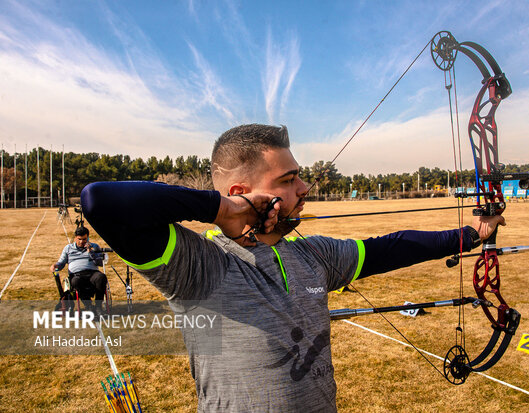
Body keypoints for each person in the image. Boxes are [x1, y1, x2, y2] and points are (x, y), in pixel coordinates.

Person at [81, 124, 504, 412]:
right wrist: (219, 210)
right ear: (239, 193)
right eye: (287, 179)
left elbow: (390, 249)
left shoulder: (311, 254)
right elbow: (102, 202)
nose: (304, 189)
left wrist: (470, 234)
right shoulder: (200, 264)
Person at [50, 226, 107, 314]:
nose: (81, 242)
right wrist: (55, 265)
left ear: (88, 237)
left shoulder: (94, 246)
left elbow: (100, 263)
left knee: (101, 277)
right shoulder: (68, 248)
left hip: (92, 273)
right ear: (76, 238)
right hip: (77, 275)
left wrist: (91, 252)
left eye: (84, 239)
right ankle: (88, 305)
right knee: (75, 281)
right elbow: (61, 263)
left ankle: (98, 306)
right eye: (79, 239)